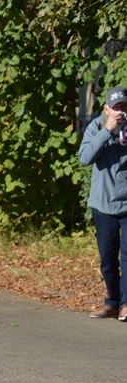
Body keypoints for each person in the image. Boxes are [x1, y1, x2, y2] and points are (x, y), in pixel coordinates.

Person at [78, 85, 127, 321]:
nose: (120, 111)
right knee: (108, 259)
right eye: (116, 107)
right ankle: (113, 302)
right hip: (103, 203)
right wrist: (108, 130)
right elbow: (85, 157)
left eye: (124, 107)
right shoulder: (97, 126)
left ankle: (126, 304)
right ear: (107, 109)